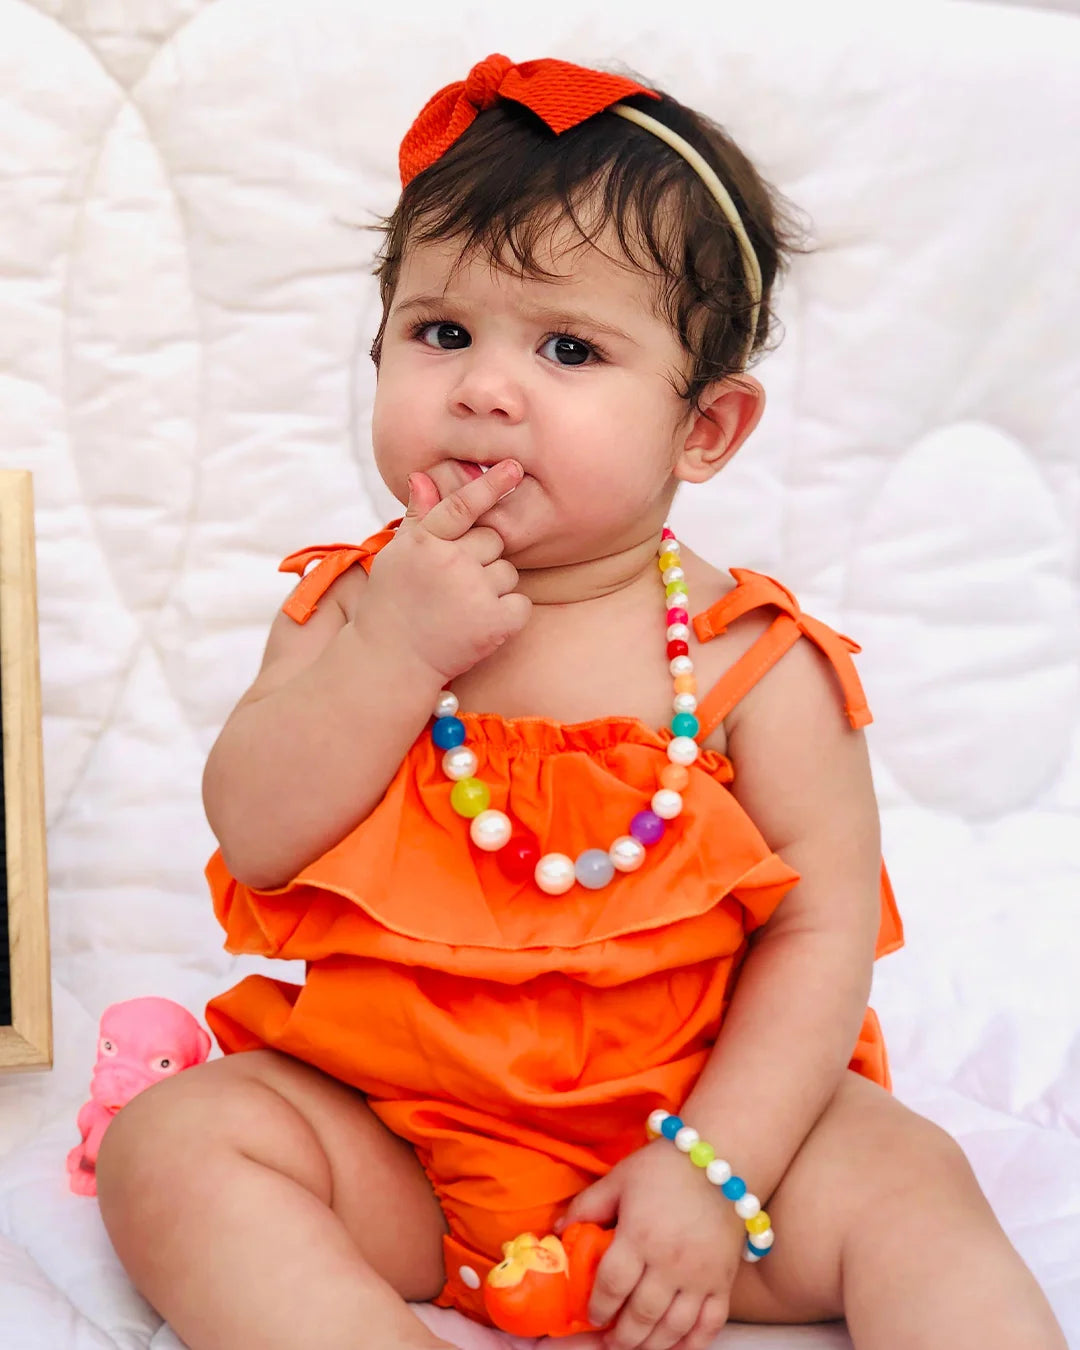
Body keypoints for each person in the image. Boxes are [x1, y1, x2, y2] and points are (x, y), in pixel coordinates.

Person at [96, 53, 1067, 1350]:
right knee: (177, 1144)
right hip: (399, 1142)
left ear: (705, 429)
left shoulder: (750, 663)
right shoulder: (350, 607)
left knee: (912, 1180)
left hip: (692, 1138)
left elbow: (820, 938)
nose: (486, 387)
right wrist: (398, 650)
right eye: (442, 332)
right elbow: (256, 829)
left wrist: (714, 1173)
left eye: (568, 347)